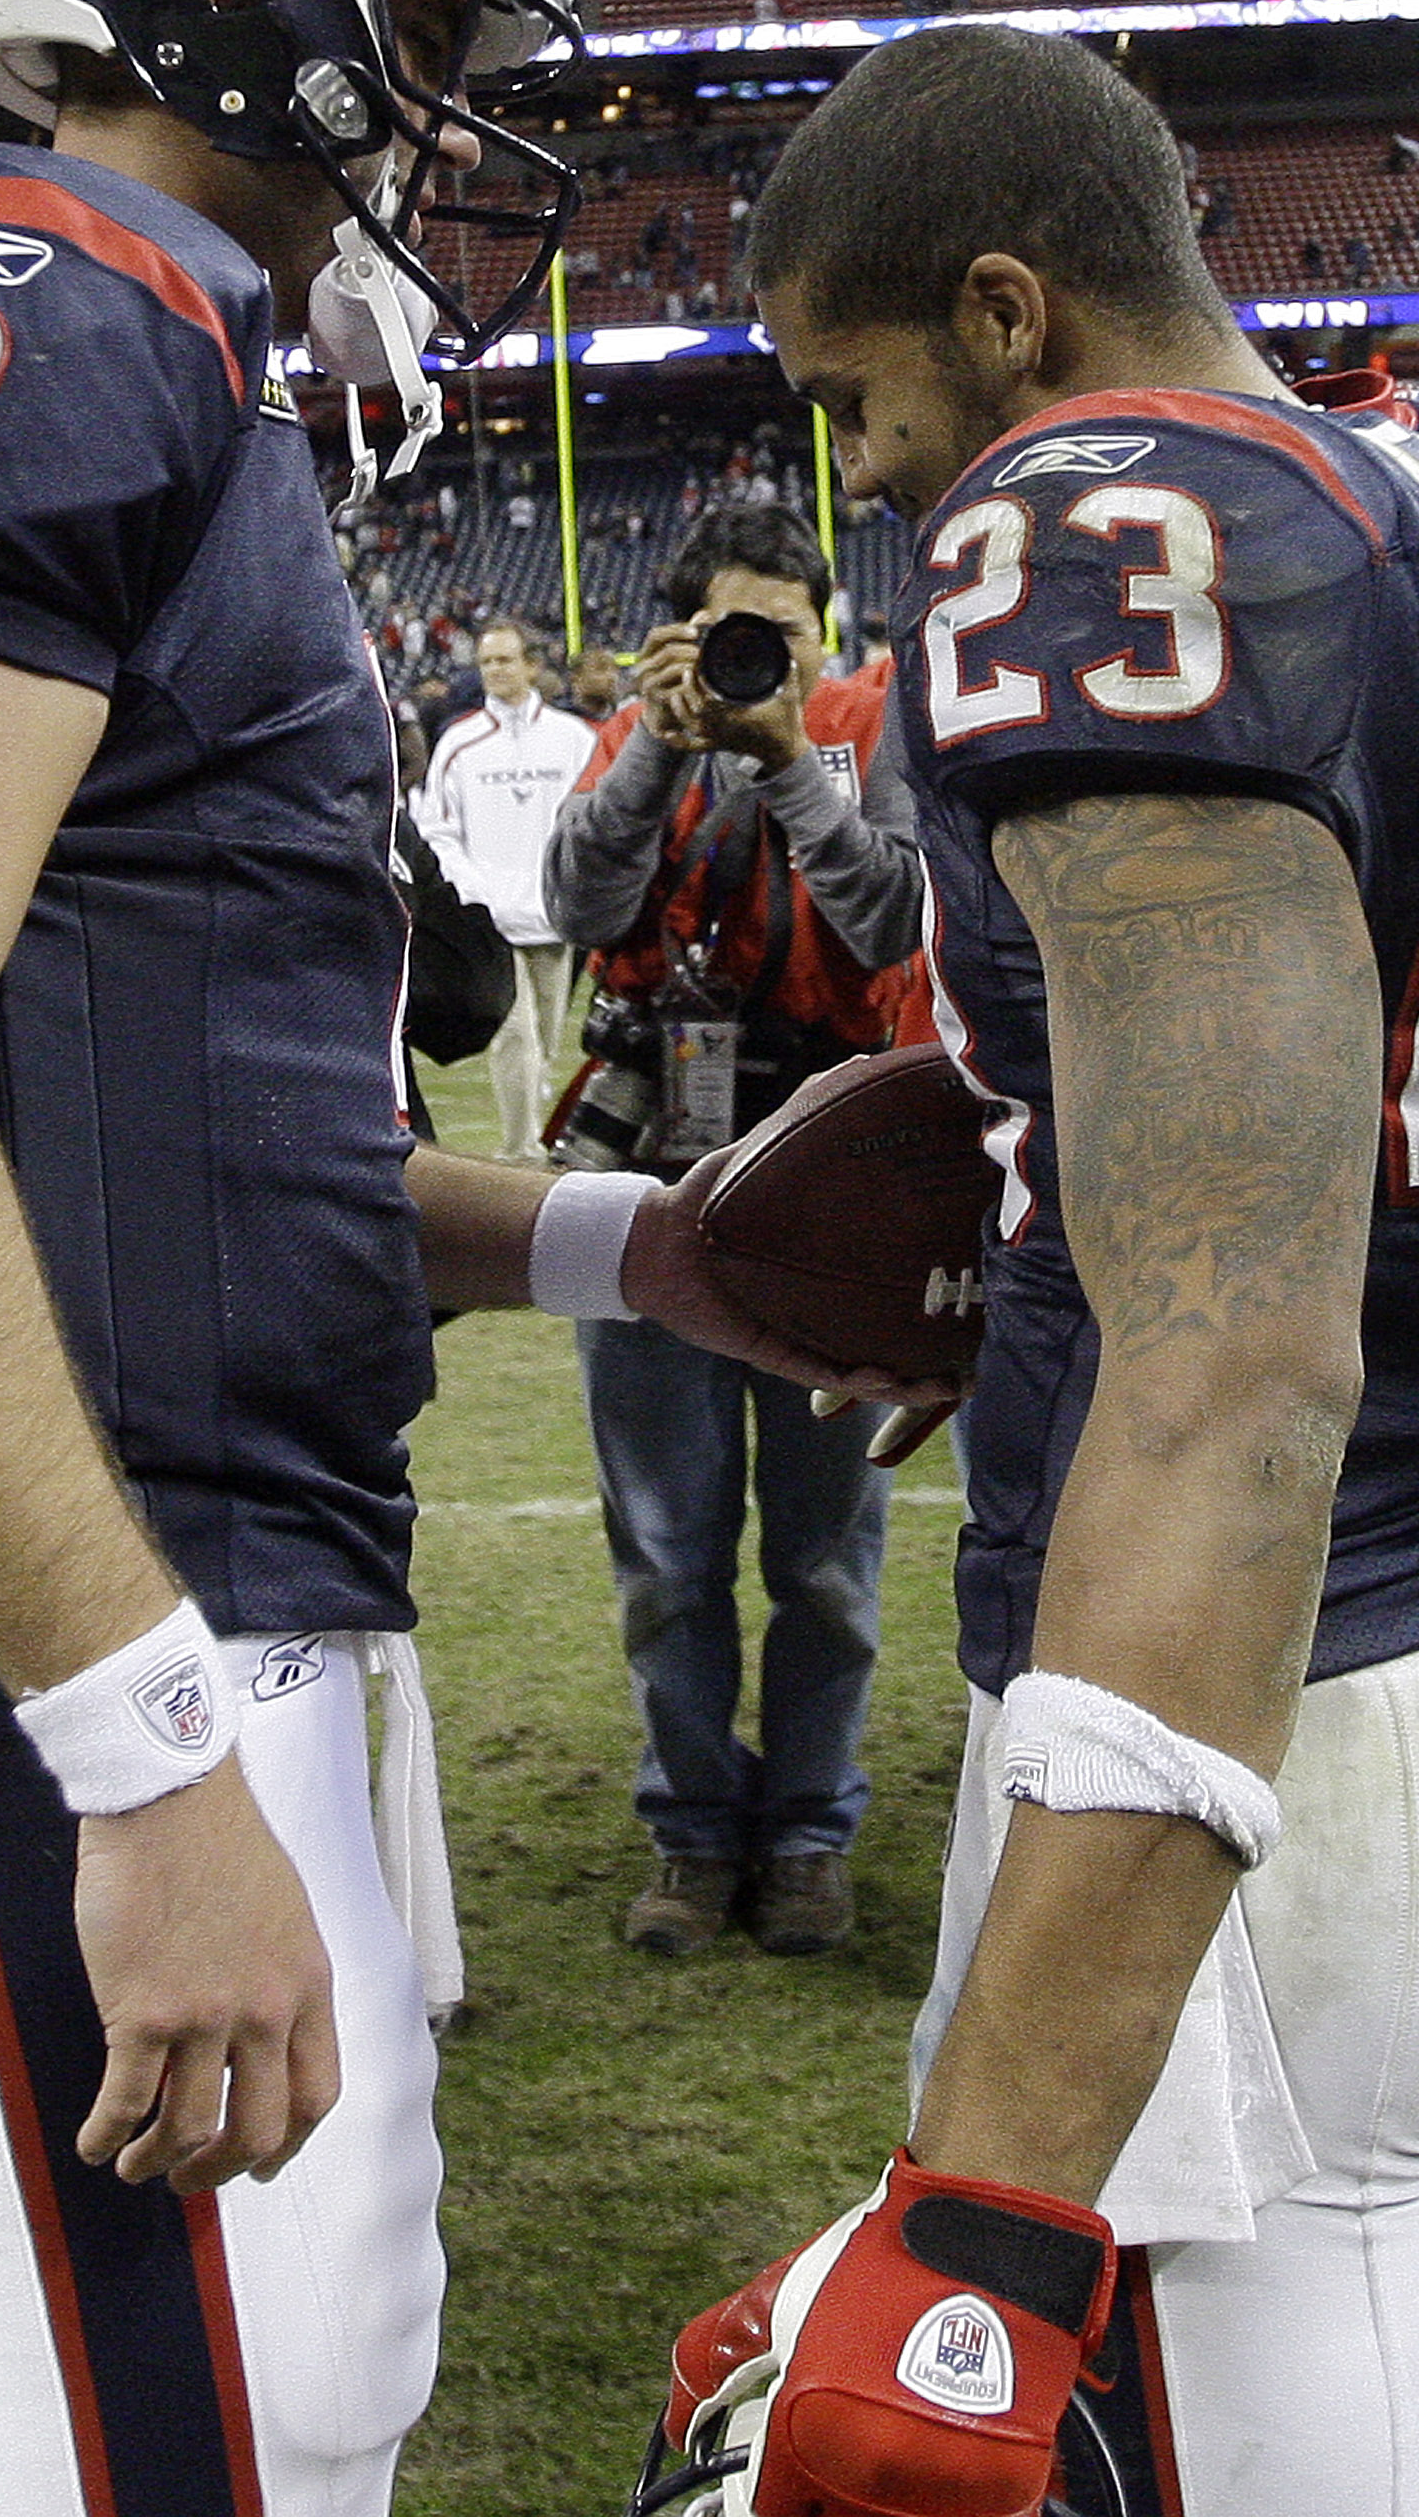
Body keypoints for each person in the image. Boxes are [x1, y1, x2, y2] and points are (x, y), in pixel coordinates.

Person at [0, 0, 871, 2517]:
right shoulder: (29, 295)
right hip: (44, 1624)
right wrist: (130, 1746)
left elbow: (196, 1141)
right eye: (429, 27)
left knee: (284, 2395)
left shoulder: (166, 348)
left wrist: (633, 1249)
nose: (447, 111)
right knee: (167, 2450)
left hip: (157, 1586)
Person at [654, 25, 1419, 2517]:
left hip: (1298, 1718)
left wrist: (985, 2198)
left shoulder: (1094, 515)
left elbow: (1232, 1350)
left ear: (1008, 310)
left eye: (862, 390)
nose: (864, 466)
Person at [543, 507, 924, 1958]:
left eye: (788, 630)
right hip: (648, 1180)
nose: (764, 660)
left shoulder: (862, 730)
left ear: (826, 633)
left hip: (831, 1182)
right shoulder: (636, 733)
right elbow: (576, 899)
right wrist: (660, 742)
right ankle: (693, 1831)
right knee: (662, 1543)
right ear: (677, 635)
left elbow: (888, 922)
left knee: (826, 1553)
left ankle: (810, 1829)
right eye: (728, 634)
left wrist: (784, 766)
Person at [418, 617, 599, 1161]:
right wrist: (473, 890)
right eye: (486, 662)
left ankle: (530, 1137)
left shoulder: (574, 739)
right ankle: (521, 1152)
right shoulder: (459, 742)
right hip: (491, 916)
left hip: (554, 913)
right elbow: (437, 829)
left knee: (544, 1039)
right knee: (512, 1034)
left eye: (504, 660)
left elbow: (596, 818)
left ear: (531, 666)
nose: (495, 671)